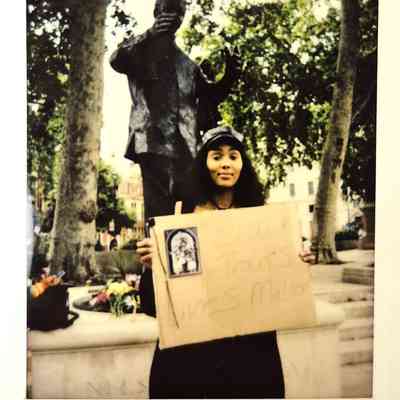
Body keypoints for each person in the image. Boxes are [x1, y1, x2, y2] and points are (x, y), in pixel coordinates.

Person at [136, 126, 286, 398]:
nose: (225, 163)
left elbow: (277, 287)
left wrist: (297, 261)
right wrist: (152, 266)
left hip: (249, 354)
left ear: (243, 165)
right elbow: (152, 304)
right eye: (216, 156)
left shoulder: (260, 218)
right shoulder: (179, 216)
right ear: (204, 163)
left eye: (234, 156)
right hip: (192, 352)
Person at [109, 0, 239, 221]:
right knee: (159, 209)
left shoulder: (188, 65)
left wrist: (230, 76)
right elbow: (117, 59)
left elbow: (210, 96)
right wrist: (151, 34)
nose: (174, 16)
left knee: (189, 206)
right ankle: (157, 252)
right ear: (157, 12)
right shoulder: (140, 49)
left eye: (180, 12)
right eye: (169, 9)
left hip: (186, 145)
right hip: (153, 140)